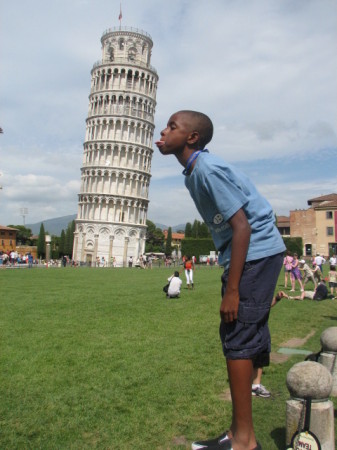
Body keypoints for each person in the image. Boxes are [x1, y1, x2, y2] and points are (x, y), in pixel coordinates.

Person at [156, 110, 285, 450]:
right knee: (237, 334)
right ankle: (237, 433)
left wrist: (232, 290)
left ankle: (244, 441)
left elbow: (242, 226)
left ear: (191, 138)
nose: (163, 131)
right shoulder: (195, 170)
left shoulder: (206, 170)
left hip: (256, 250)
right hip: (252, 253)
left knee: (237, 336)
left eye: (172, 127)